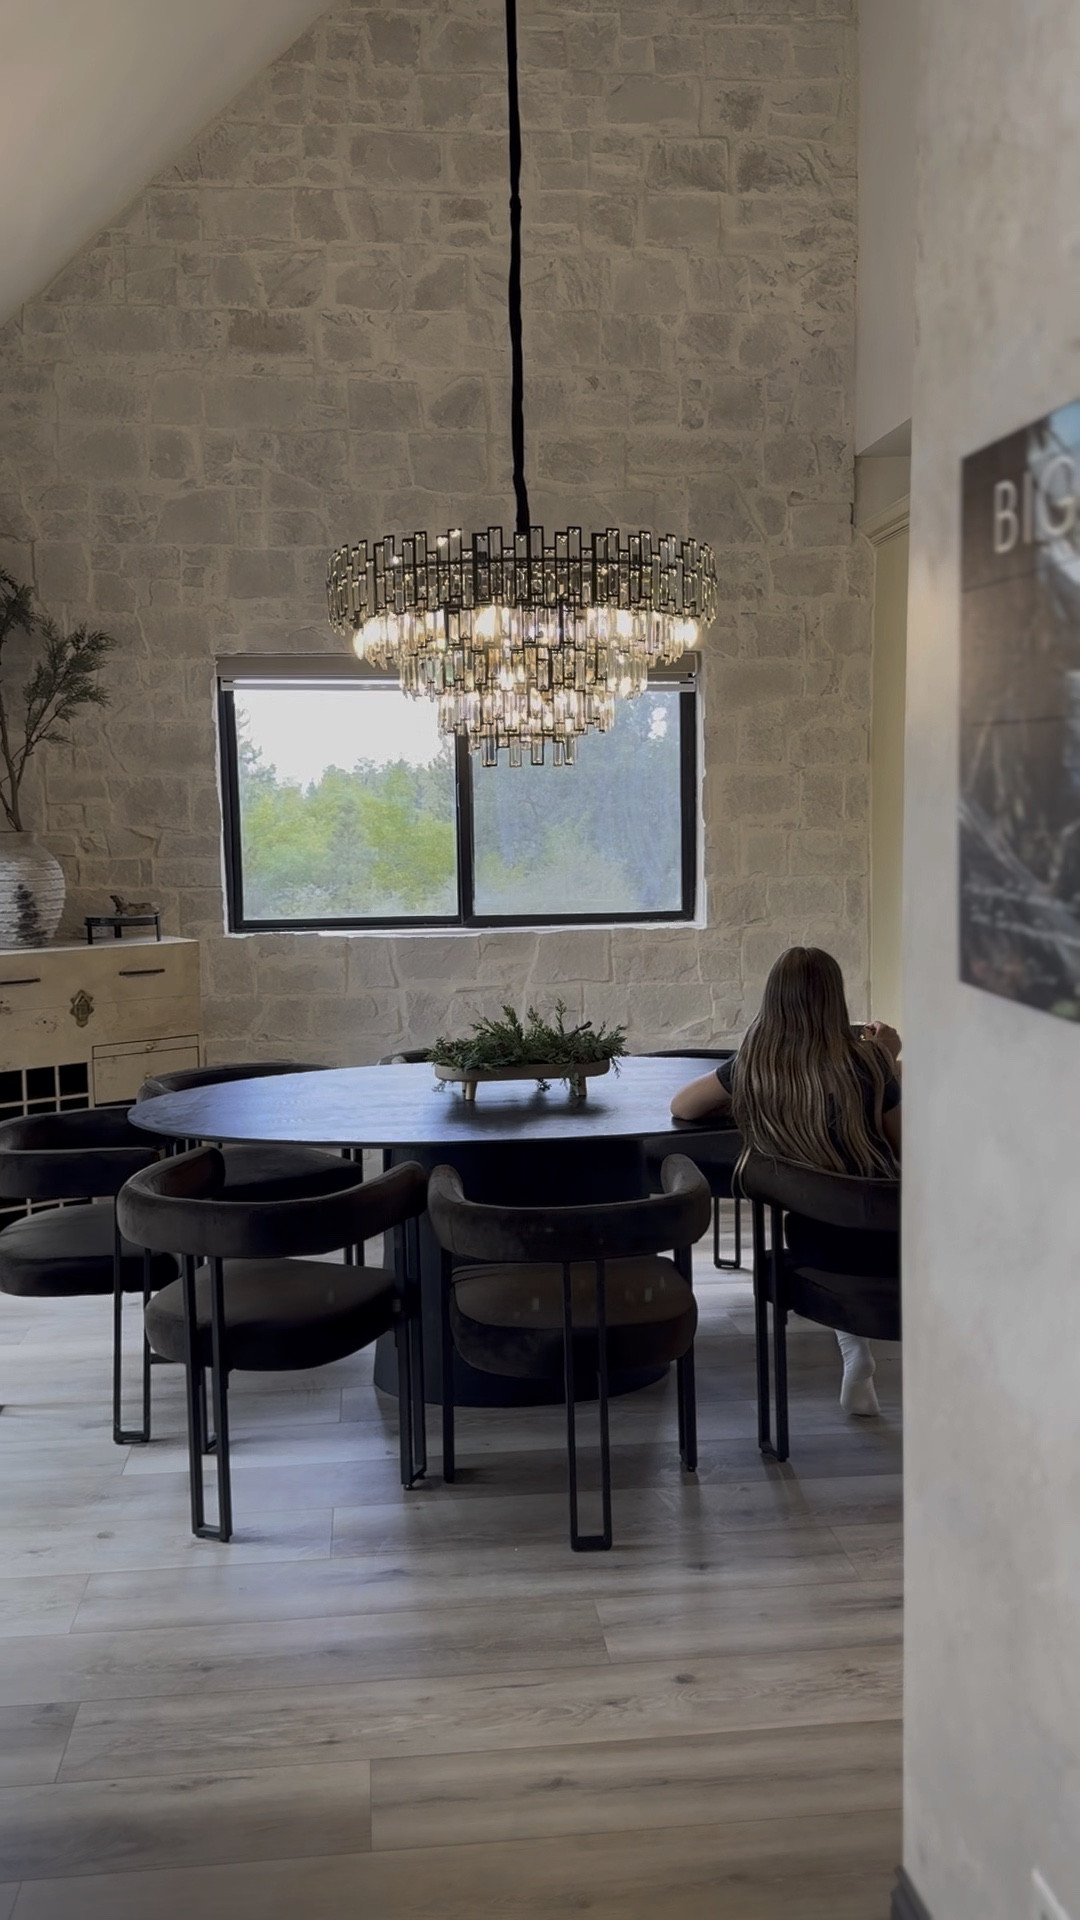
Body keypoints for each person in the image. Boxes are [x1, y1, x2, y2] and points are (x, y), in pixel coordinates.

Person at [671, 946, 901, 1417]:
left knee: (827, 1222)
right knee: (863, 1213)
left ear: (773, 999)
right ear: (836, 1000)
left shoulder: (756, 1065)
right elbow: (907, 1146)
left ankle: (854, 1348)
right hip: (892, 1241)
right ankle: (855, 1350)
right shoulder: (868, 1064)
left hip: (814, 1242)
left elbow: (683, 1106)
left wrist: (742, 1100)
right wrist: (888, 1061)